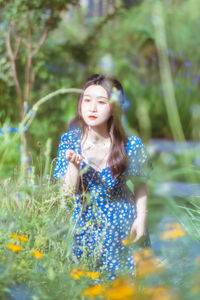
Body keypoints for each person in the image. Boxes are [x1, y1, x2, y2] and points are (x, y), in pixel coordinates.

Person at [53, 74, 153, 282]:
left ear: (114, 107)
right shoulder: (70, 140)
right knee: (83, 286)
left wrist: (141, 221)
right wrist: (74, 165)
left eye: (101, 102)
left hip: (121, 226)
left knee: (123, 288)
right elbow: (66, 193)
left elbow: (141, 184)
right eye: (87, 100)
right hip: (83, 225)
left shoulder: (130, 145)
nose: (92, 108)